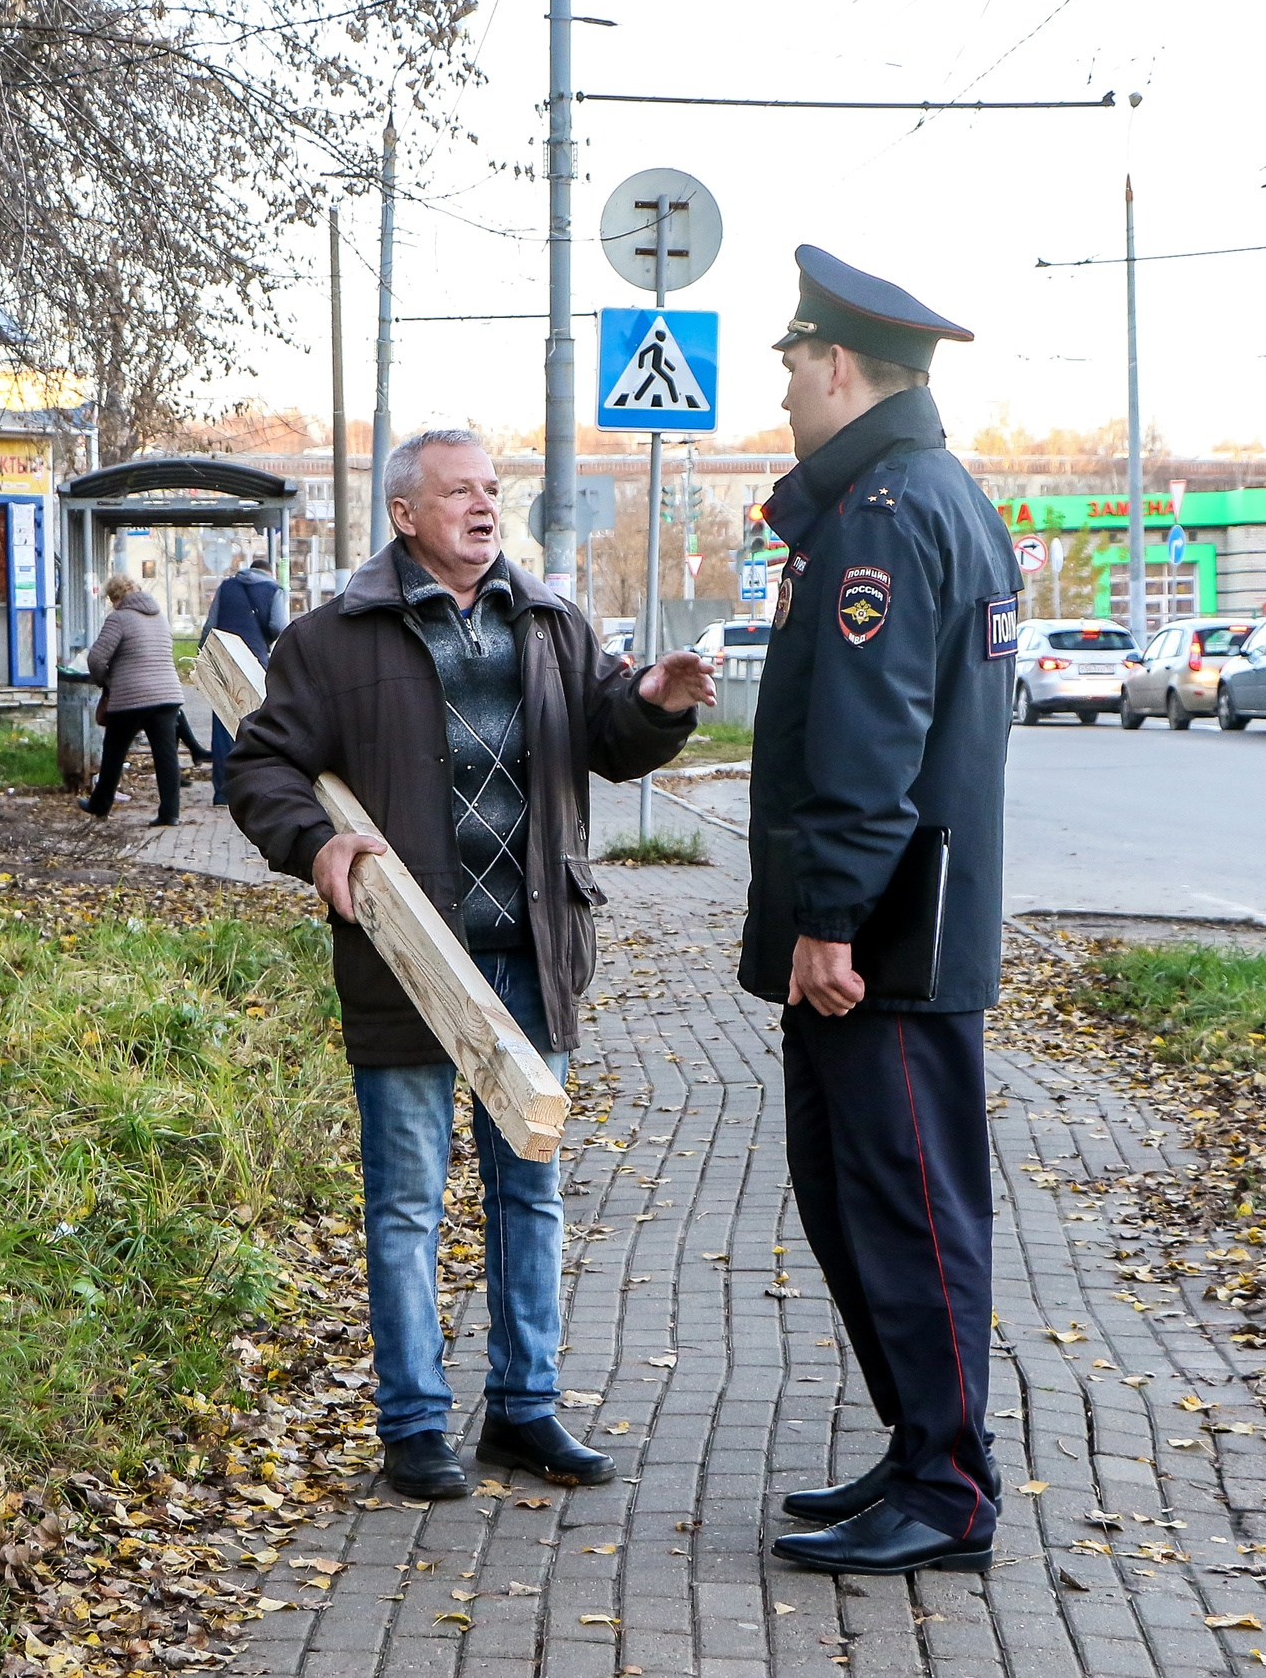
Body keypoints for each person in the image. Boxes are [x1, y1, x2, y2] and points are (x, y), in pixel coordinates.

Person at [229, 429, 715, 1500]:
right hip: (410, 961)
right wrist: (316, 844)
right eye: (459, 492)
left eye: (492, 489)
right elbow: (259, 763)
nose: (485, 506)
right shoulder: (330, 641)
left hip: (532, 956)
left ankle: (524, 1411)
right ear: (406, 514)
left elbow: (608, 739)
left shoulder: (549, 621)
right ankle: (412, 1423)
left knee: (525, 1192)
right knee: (406, 1199)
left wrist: (656, 705)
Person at [740, 246, 1019, 1577]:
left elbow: (871, 738)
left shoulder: (890, 516)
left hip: (888, 939)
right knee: (858, 1203)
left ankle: (951, 1484)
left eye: (792, 368)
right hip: (896, 925)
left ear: (837, 366)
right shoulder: (921, 496)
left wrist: (832, 918)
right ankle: (921, 1448)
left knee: (906, 1212)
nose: (786, 392)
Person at [82, 572, 187, 826]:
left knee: (114, 753)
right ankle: (170, 813)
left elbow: (96, 659)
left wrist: (104, 681)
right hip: (168, 694)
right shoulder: (160, 617)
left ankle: (100, 804)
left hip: (132, 696)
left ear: (115, 597)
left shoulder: (118, 619)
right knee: (166, 755)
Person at [200, 550, 289, 804]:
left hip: (223, 663)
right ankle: (253, 788)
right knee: (256, 724)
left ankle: (222, 792)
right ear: (268, 573)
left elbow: (210, 626)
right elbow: (279, 627)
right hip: (255, 664)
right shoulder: (274, 590)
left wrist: (205, 661)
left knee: (222, 726)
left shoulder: (226, 586)